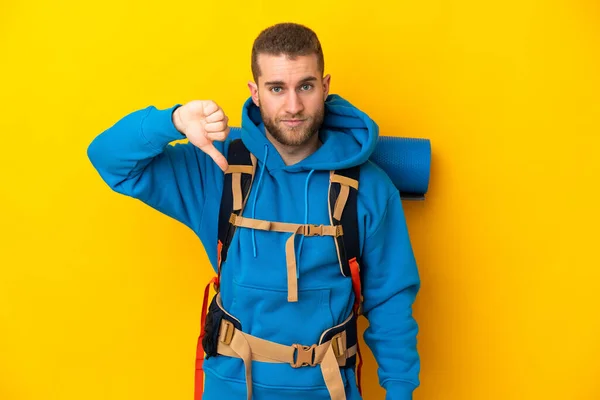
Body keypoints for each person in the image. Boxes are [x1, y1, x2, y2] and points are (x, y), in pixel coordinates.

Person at [88, 22, 420, 400]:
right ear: (255, 92)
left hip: (327, 389)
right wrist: (174, 120)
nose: (293, 106)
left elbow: (391, 300)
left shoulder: (369, 186)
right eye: (276, 88)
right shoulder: (216, 166)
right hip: (229, 387)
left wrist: (399, 392)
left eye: (305, 86)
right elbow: (108, 159)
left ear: (325, 87)